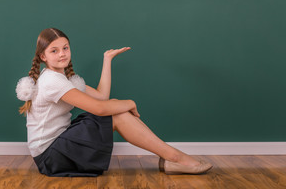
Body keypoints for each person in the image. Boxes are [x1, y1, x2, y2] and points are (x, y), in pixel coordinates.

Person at [16, 28, 213, 177]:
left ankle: (172, 157)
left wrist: (107, 60)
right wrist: (130, 102)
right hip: (51, 156)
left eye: (65, 48)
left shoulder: (63, 79)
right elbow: (101, 108)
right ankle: (175, 158)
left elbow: (101, 97)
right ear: (43, 57)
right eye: (54, 51)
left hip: (59, 147)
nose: (62, 54)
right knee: (115, 111)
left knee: (116, 108)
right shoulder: (52, 81)